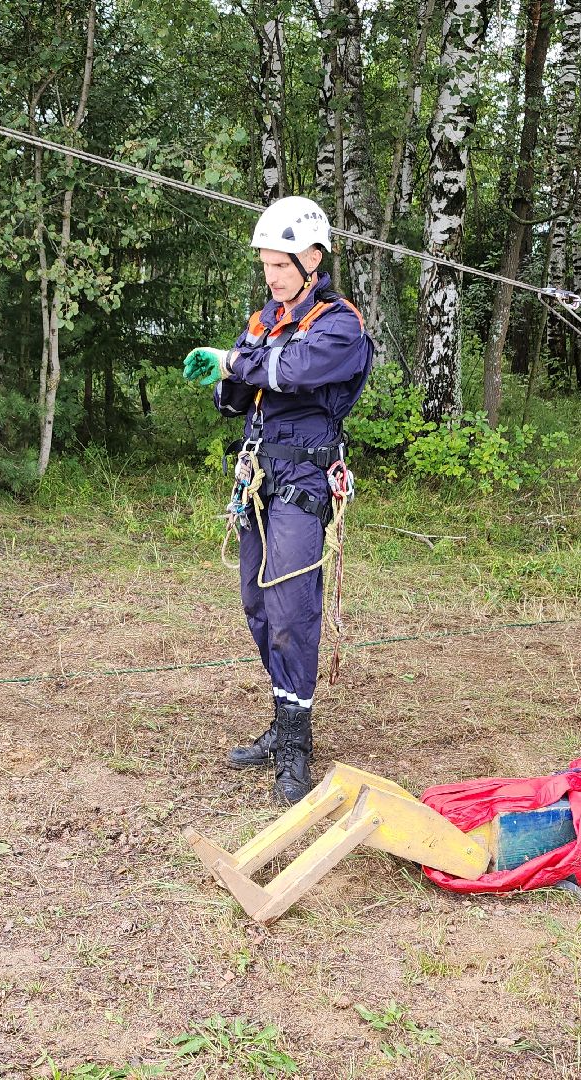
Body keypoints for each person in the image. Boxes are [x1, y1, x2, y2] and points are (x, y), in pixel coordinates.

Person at [183, 196, 374, 805]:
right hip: (257, 480)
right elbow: (240, 394)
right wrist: (224, 378)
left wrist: (235, 361)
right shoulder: (264, 320)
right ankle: (282, 717)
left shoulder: (340, 324)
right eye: (266, 265)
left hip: (303, 481)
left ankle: (297, 742)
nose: (271, 276)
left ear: (312, 259)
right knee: (258, 606)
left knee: (293, 610)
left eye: (281, 266)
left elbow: (290, 371)